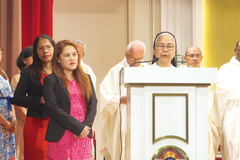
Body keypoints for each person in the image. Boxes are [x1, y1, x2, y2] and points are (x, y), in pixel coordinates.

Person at [43, 40, 97, 160]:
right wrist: (77, 127)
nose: (72, 58)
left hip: (83, 133)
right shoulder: (51, 80)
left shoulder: (86, 78)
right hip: (62, 133)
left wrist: (85, 126)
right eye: (67, 55)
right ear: (58, 59)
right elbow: (53, 108)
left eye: (74, 54)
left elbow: (93, 103)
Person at [100, 40, 148, 160]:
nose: (136, 63)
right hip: (120, 120)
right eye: (133, 59)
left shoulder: (148, 70)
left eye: (140, 59)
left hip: (142, 118)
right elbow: (104, 95)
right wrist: (120, 99)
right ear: (126, 54)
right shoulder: (115, 71)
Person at [13, 34, 55, 160]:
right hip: (35, 121)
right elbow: (17, 98)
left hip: (58, 122)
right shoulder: (28, 72)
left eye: (48, 47)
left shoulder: (62, 71)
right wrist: (39, 100)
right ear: (35, 51)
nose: (45, 51)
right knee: (35, 156)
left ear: (54, 48)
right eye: (40, 48)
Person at [181, 46, 221, 160]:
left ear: (202, 58)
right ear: (185, 58)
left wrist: (202, 118)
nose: (195, 58)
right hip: (184, 118)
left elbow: (209, 99)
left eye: (197, 55)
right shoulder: (180, 74)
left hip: (204, 117)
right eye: (191, 55)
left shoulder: (206, 75)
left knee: (207, 140)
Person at [216, 41, 240, 160]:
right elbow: (220, 89)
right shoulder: (225, 68)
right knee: (231, 144)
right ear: (235, 50)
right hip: (232, 111)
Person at [10, 46, 33, 160]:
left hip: (37, 120)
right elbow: (17, 104)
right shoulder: (17, 78)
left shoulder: (39, 78)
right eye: (32, 57)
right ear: (24, 59)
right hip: (25, 121)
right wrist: (29, 120)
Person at [0, 46, 17, 159]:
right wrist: (6, 123)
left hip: (8, 124)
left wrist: (13, 119)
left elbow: (11, 98)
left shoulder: (3, 73)